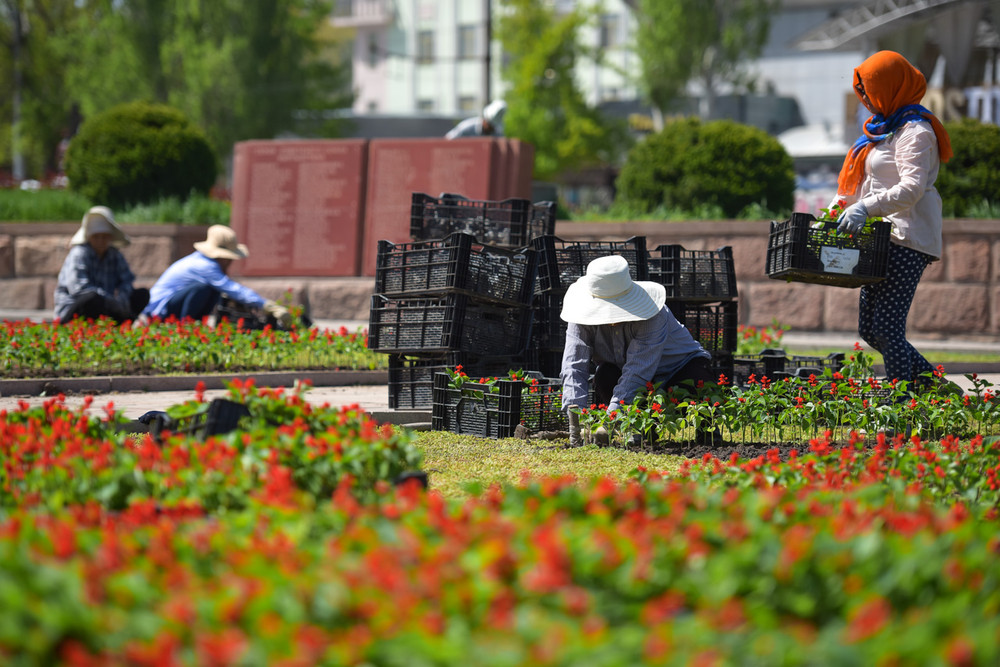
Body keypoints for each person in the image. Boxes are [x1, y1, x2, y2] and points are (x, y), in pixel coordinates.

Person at [830, 50, 953, 390]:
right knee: (870, 330)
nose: (867, 99)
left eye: (870, 90)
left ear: (891, 86)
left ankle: (900, 397)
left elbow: (911, 188)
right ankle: (937, 387)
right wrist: (837, 209)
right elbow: (865, 183)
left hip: (907, 238)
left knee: (887, 329)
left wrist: (864, 209)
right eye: (863, 92)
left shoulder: (916, 131)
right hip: (882, 239)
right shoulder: (883, 130)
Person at [560, 255, 716, 447]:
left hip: (677, 369)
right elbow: (573, 366)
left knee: (698, 381)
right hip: (631, 375)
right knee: (605, 375)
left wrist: (610, 421)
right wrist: (576, 419)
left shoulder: (653, 315)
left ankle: (709, 433)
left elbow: (637, 371)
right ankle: (640, 429)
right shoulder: (580, 316)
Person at [142, 225, 291, 326]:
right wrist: (266, 305)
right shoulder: (205, 266)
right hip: (159, 311)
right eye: (230, 258)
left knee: (212, 290)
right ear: (223, 257)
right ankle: (185, 327)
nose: (231, 262)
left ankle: (193, 325)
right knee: (203, 288)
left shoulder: (202, 261)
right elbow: (232, 288)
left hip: (167, 306)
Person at [54, 206, 149, 323]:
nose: (100, 240)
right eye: (96, 236)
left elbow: (127, 281)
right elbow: (79, 289)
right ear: (89, 237)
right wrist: (110, 301)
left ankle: (121, 323)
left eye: (104, 236)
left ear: (110, 237)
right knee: (92, 298)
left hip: (107, 306)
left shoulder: (114, 255)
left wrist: (122, 298)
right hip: (76, 310)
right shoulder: (79, 253)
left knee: (142, 294)